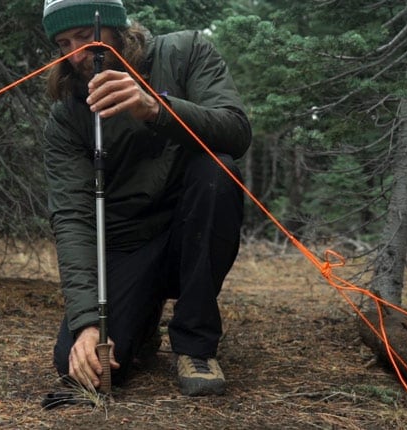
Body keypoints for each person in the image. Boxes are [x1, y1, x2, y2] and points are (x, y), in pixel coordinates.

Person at [42, 0, 251, 396]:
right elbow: (72, 216)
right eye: (64, 42)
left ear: (118, 28)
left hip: (190, 225)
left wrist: (156, 108)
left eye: (87, 37)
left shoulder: (185, 51)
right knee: (88, 370)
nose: (76, 54)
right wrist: (86, 322)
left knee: (217, 171)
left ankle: (195, 343)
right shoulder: (66, 115)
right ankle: (141, 319)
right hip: (128, 242)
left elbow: (236, 132)